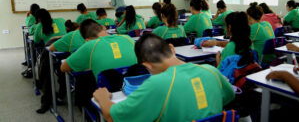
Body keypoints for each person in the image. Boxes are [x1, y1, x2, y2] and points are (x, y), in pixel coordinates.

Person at [93, 33, 235, 122]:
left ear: (147, 65)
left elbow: (113, 116)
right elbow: (229, 96)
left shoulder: (156, 85)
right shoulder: (212, 71)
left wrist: (103, 97)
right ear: (172, 48)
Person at [60, 19, 138, 80]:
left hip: (107, 93)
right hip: (135, 89)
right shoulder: (128, 38)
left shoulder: (90, 46)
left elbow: (63, 68)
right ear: (103, 28)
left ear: (87, 40)